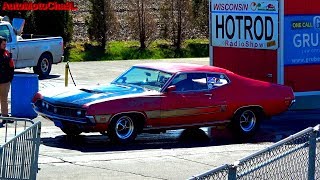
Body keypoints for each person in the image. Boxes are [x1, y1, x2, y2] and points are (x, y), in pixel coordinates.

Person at [0, 36, 14, 124]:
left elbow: (11, 66)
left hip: (5, 81)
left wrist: (10, 78)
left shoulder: (7, 53)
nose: (5, 46)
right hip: (4, 80)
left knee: (4, 99)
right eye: (3, 44)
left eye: (5, 44)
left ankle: (5, 116)